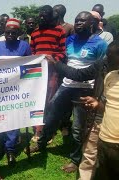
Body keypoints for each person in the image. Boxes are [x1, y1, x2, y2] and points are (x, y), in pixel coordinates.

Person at [30, 11, 108, 173]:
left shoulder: (100, 44)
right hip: (66, 85)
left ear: (91, 24)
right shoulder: (70, 40)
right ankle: (42, 143)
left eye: (83, 21)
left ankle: (75, 159)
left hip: (86, 89)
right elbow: (65, 60)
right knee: (51, 115)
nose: (78, 23)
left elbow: (101, 71)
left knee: (78, 127)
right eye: (77, 20)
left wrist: (96, 93)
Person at [48, 40, 118, 180]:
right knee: (89, 153)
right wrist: (56, 64)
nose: (107, 59)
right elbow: (79, 74)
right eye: (107, 55)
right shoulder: (104, 67)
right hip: (100, 120)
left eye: (112, 56)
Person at [0, 18, 31, 166]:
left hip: (16, 90)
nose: (10, 35)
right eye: (8, 32)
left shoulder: (24, 46)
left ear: (18, 33)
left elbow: (30, 66)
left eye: (14, 32)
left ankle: (11, 150)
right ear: (4, 33)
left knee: (13, 119)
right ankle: (1, 145)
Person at [30, 5, 67, 142]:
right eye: (40, 14)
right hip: (37, 72)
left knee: (49, 101)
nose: (41, 17)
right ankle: (38, 130)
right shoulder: (34, 33)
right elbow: (32, 52)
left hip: (52, 72)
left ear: (51, 16)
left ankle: (48, 130)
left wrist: (53, 60)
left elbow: (62, 52)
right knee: (37, 100)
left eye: (45, 14)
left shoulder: (59, 31)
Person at [90, 40, 119, 180]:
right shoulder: (111, 76)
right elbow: (107, 106)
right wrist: (97, 104)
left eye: (110, 55)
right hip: (104, 141)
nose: (106, 59)